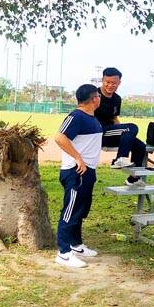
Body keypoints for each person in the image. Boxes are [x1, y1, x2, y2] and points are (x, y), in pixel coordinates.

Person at [53, 84, 103, 268]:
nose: (100, 98)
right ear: (94, 99)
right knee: (70, 211)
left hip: (88, 171)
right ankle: (64, 253)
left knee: (80, 210)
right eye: (98, 95)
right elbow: (59, 137)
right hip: (75, 171)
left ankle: (76, 245)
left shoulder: (92, 118)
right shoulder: (76, 116)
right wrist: (77, 158)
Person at [94, 67, 148, 187]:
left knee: (140, 146)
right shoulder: (94, 95)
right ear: (102, 80)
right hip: (98, 133)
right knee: (132, 127)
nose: (110, 85)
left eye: (114, 83)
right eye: (107, 82)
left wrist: (125, 135)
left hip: (111, 132)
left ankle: (133, 178)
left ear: (119, 83)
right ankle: (119, 159)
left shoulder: (117, 99)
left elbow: (114, 119)